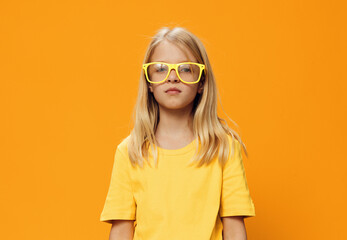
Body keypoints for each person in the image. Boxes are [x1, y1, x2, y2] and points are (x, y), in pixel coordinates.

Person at [100, 26, 255, 240]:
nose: (173, 77)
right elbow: (120, 230)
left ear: (201, 82)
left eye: (186, 69)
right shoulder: (130, 151)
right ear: (149, 83)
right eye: (161, 68)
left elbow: (235, 228)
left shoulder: (223, 147)